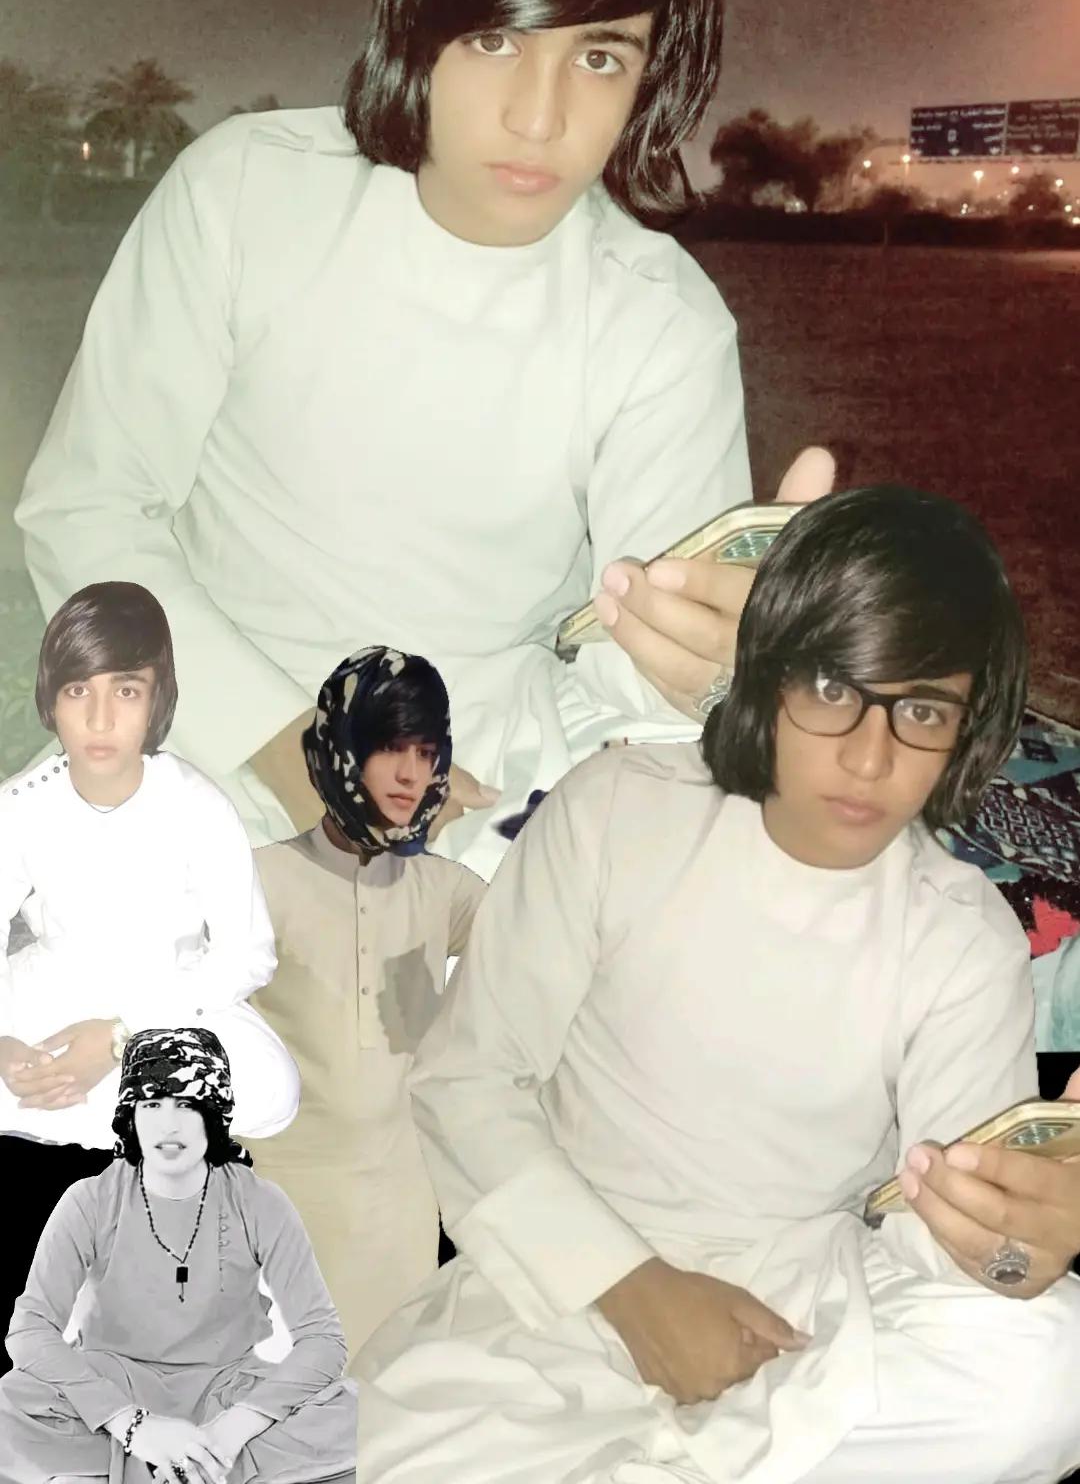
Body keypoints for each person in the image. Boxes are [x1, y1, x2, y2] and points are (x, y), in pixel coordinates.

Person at [14, 0, 833, 880]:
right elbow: (89, 510)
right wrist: (306, 764)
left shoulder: (661, 321)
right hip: (195, 730)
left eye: (599, 57)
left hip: (482, 788)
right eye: (495, 38)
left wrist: (710, 663)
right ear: (417, 24)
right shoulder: (245, 194)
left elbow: (637, 669)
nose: (539, 117)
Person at [351, 487, 1080, 1484]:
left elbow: (947, 1238)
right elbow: (466, 1082)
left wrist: (1016, 1249)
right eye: (833, 689)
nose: (869, 757)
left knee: (1048, 1366)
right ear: (766, 673)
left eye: (920, 710)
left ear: (968, 728)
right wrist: (633, 1289)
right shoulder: (613, 812)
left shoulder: (963, 936)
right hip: (557, 1286)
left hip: (802, 1320)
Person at [0, 581, 299, 1370]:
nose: (100, 720)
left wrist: (121, 1039)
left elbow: (247, 954)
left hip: (168, 995)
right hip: (52, 987)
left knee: (271, 1086)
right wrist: (3, 1045)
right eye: (79, 692)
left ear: (157, 697)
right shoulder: (20, 807)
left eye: (125, 691)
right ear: (52, 699)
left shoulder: (197, 805)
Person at [248, 647, 485, 1358]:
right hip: (282, 1205)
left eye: (426, 752)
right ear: (341, 749)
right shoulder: (261, 881)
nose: (411, 773)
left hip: (402, 1210)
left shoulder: (443, 890)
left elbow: (545, 944)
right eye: (390, 748)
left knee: (389, 1391)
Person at [0, 1026, 357, 1483]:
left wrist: (232, 1431)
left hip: (228, 1391)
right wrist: (133, 1426)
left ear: (214, 1112)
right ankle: (178, 1467)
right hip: (110, 1390)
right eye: (152, 1104)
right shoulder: (89, 1199)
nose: (168, 1125)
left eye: (186, 1105)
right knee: (11, 1409)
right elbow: (30, 1330)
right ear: (130, 1115)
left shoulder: (259, 1201)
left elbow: (323, 1339)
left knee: (355, 1416)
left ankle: (191, 1464)